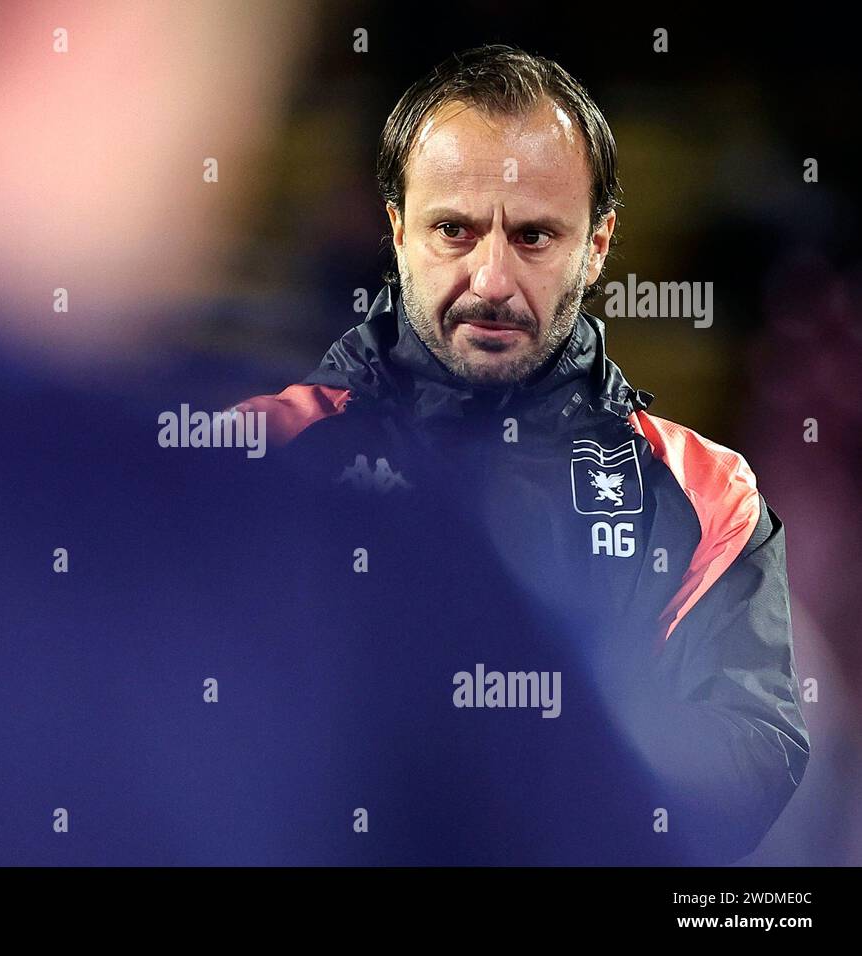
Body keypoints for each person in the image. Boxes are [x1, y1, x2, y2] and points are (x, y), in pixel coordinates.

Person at [234, 44, 809, 863]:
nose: (492, 278)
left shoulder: (707, 490)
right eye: (453, 231)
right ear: (398, 230)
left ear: (599, 244)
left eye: (535, 236)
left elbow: (753, 744)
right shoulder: (259, 453)